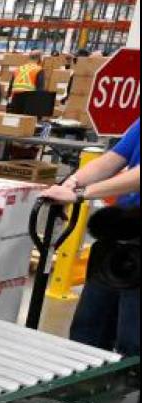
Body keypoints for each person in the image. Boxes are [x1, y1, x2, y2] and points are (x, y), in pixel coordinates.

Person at [42, 117, 139, 356]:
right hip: (121, 234)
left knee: (133, 341)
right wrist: (71, 182)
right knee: (88, 332)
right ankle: (83, 389)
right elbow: (113, 159)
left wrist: (82, 193)